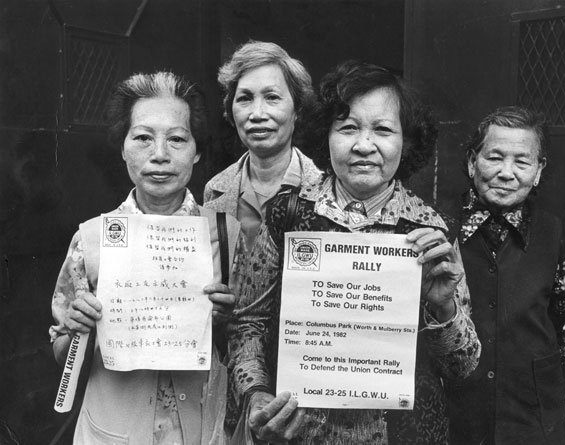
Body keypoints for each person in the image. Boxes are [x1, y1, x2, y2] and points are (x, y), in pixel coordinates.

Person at [227, 60, 481, 444]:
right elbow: (248, 322)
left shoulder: (430, 230)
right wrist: (256, 391)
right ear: (325, 136)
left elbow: (464, 366)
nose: (364, 145)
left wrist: (443, 309)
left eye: (382, 130)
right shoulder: (287, 214)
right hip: (300, 433)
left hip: (404, 435)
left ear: (406, 141)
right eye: (348, 128)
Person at [49, 71, 239, 444]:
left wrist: (225, 323)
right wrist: (76, 329)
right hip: (112, 433)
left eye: (177, 139)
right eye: (142, 138)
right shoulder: (91, 239)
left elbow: (250, 341)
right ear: (122, 147)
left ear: (197, 150)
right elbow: (62, 356)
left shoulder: (227, 235)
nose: (160, 155)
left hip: (201, 430)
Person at [446, 106, 565, 444]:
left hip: (532, 417)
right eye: (494, 157)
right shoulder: (441, 226)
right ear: (472, 162)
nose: (506, 172)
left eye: (522, 161)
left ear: (539, 170)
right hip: (459, 417)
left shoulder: (552, 231)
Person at [203, 40, 321, 252]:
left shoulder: (325, 190)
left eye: (272, 97)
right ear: (231, 111)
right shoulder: (215, 190)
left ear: (298, 110)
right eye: (245, 98)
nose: (257, 114)